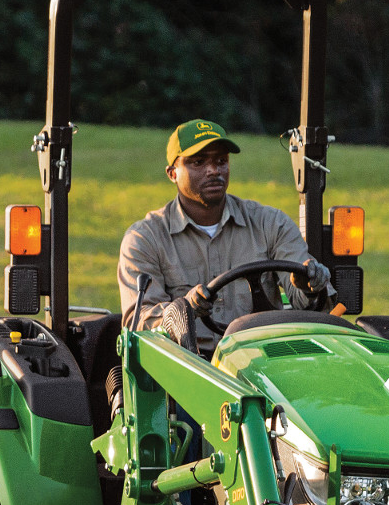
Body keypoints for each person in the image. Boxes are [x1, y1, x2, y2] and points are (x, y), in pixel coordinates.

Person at [118, 119, 333, 354]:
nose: (213, 170)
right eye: (198, 162)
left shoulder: (270, 223)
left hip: (261, 360)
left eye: (221, 161)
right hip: (187, 365)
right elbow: (139, 324)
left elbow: (310, 305)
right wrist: (183, 310)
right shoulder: (145, 238)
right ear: (172, 173)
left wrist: (308, 286)